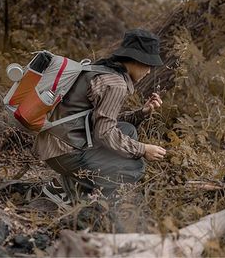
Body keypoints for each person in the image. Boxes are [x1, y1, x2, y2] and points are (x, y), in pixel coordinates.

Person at [32, 29, 166, 206]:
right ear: (136, 60)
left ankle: (65, 185)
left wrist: (142, 112)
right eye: (148, 65)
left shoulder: (101, 70)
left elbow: (103, 122)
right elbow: (103, 133)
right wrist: (143, 149)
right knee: (134, 168)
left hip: (53, 144)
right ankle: (73, 194)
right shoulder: (115, 84)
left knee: (128, 129)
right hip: (63, 152)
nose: (149, 72)